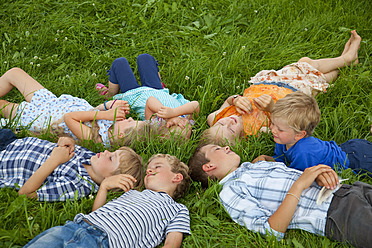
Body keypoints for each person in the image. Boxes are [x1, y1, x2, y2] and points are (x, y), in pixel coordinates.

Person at [188, 144, 372, 248]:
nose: (226, 146)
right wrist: (299, 184)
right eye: (217, 148)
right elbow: (271, 230)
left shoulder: (253, 166)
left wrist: (318, 177)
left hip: (350, 189)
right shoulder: (230, 191)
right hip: (337, 214)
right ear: (209, 166)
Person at [204, 30, 361, 145]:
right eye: (231, 130)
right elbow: (288, 123)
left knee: (306, 63)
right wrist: (272, 108)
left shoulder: (215, 118)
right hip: (292, 94)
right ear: (239, 141)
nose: (228, 122)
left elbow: (228, 101)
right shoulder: (255, 132)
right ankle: (347, 59)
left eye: (221, 124)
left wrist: (236, 100)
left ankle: (347, 61)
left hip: (269, 83)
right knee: (319, 77)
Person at [24, 153, 191, 248]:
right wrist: (104, 187)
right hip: (72, 227)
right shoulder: (132, 193)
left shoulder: (177, 209)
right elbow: (97, 214)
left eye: (157, 167)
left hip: (104, 243)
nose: (149, 170)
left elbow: (172, 242)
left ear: (176, 177)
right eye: (149, 167)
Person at [0, 67, 150, 147]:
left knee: (2, 105)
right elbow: (93, 110)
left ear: (120, 136)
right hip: (53, 103)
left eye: (130, 122)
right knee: (14, 73)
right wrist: (108, 106)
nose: (129, 118)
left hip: (42, 116)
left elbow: (69, 118)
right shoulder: (111, 125)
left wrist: (105, 115)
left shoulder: (96, 139)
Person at [0, 129, 143, 201]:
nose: (106, 151)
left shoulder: (77, 186)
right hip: (12, 142)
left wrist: (53, 161)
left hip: (4, 163)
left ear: (109, 180)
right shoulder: (91, 158)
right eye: (112, 152)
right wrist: (66, 140)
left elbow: (26, 194)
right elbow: (63, 144)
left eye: (111, 158)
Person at [252, 91, 372, 176]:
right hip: (348, 148)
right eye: (272, 123)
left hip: (359, 160)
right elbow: (281, 160)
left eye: (280, 129)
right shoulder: (283, 139)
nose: (272, 130)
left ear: (299, 135)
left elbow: (296, 178)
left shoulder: (303, 152)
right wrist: (267, 160)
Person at [95, 54, 200, 139]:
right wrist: (175, 113)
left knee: (120, 63)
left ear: (162, 135)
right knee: (146, 58)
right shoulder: (185, 118)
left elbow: (151, 101)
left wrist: (168, 117)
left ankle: (110, 94)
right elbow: (195, 105)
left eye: (172, 125)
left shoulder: (153, 125)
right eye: (182, 124)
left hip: (133, 93)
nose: (177, 121)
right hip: (157, 90)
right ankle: (160, 84)